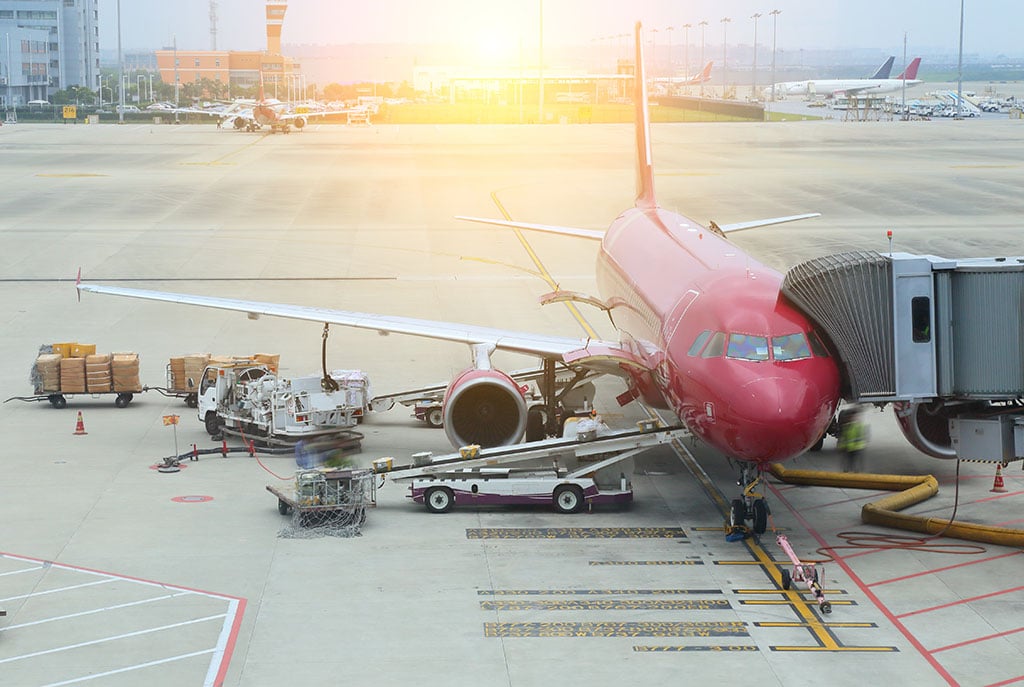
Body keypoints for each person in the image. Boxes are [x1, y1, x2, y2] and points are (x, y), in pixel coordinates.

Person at [837, 405, 869, 472]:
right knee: (848, 463)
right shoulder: (846, 426)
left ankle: (855, 473)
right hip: (849, 448)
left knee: (855, 464)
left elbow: (862, 437)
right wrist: (841, 446)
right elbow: (843, 438)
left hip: (857, 448)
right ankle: (848, 472)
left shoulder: (858, 426)